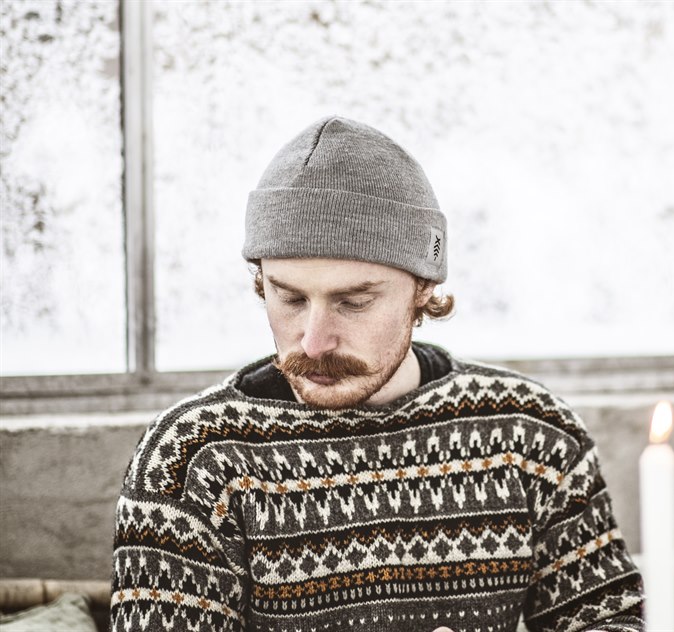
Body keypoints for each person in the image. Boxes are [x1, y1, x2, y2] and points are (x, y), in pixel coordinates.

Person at [111, 116, 645, 632]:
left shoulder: (530, 431)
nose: (314, 341)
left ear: (423, 288)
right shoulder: (193, 459)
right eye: (289, 297)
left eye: (354, 301)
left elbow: (612, 620)